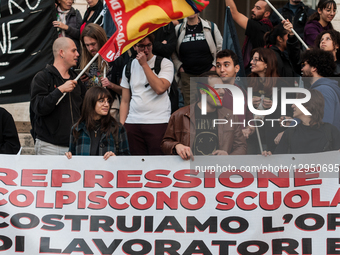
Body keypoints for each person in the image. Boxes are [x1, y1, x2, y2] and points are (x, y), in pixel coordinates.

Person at [161, 72, 247, 160]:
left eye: (223, 88)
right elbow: (165, 144)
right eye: (216, 88)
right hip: (188, 170)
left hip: (218, 170)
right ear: (202, 91)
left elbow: (241, 147)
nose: (222, 91)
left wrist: (228, 157)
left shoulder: (230, 116)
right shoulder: (180, 115)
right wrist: (177, 146)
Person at [120, 34, 174, 155]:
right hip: (133, 123)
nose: (146, 50)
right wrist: (122, 125)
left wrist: (144, 65)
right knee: (135, 165)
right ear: (134, 47)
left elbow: (160, 88)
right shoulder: (128, 67)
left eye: (149, 45)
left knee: (158, 164)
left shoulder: (165, 63)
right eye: (141, 46)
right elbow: (124, 100)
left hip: (158, 122)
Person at [30, 37, 86, 155]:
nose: (78, 54)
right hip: (49, 146)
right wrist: (60, 90)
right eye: (74, 50)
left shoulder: (77, 79)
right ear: (62, 52)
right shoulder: (42, 77)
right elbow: (39, 107)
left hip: (74, 146)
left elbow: (84, 108)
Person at [243, 48, 293, 153]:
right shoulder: (248, 83)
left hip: (274, 140)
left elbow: (290, 114)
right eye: (252, 59)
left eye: (256, 59)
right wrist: (248, 103)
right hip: (252, 138)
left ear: (267, 64)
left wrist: (273, 107)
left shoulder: (282, 85)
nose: (252, 62)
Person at [263, 89, 340, 154]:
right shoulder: (290, 133)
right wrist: (268, 157)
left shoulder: (330, 131)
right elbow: (278, 162)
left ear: (307, 106)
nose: (292, 105)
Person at [172, 13, 223, 106]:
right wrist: (179, 67)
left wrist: (215, 66)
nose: (191, 11)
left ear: (199, 9)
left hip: (209, 75)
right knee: (190, 107)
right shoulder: (178, 29)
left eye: (194, 7)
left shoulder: (211, 27)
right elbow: (173, 51)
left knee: (210, 104)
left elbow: (220, 48)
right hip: (187, 76)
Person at [65, 87, 130, 160]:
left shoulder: (117, 128)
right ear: (90, 102)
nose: (106, 104)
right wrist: (68, 157)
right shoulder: (77, 128)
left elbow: (126, 160)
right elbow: (72, 159)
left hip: (108, 170)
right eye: (101, 101)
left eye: (108, 101)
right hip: (85, 170)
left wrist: (115, 158)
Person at [225, 0, 273, 75]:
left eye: (258, 8)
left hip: (254, 72)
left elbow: (233, 13)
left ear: (267, 13)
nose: (252, 10)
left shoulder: (259, 28)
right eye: (254, 7)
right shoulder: (266, 28)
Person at [300, 48, 340, 130]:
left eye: (304, 64)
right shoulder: (322, 89)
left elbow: (322, 127)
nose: (302, 69)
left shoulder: (323, 91)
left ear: (314, 67)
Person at [215, 49, 253, 131]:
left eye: (226, 65)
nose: (221, 70)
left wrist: (248, 130)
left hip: (241, 143)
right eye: (218, 66)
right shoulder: (210, 93)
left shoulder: (243, 92)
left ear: (236, 68)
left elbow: (250, 122)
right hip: (220, 142)